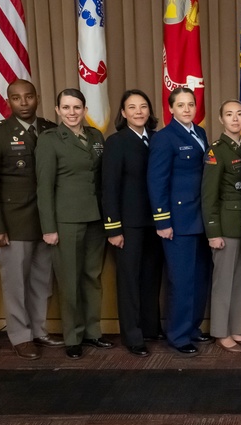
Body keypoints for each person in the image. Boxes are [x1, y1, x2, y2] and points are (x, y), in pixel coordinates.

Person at [0, 79, 64, 359]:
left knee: (41, 280)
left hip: (46, 222)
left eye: (28, 97)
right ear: (8, 102)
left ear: (37, 98)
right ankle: (20, 335)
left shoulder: (51, 130)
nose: (23, 103)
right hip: (13, 223)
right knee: (15, 283)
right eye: (16, 98)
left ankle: (38, 330)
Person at [36, 88, 112, 360]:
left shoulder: (95, 136)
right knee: (69, 280)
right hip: (66, 219)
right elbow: (44, 188)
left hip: (96, 218)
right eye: (66, 107)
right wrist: (49, 228)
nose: (71, 112)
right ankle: (73, 337)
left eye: (77, 107)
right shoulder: (50, 140)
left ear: (85, 110)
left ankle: (94, 332)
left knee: (92, 277)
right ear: (57, 110)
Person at [147, 86, 211, 355]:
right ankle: (178, 334)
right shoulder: (164, 138)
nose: (186, 109)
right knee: (181, 280)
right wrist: (163, 221)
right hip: (178, 221)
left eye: (190, 104)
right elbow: (156, 181)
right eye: (180, 105)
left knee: (199, 278)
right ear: (170, 109)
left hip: (201, 220)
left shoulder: (201, 133)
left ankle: (193, 327)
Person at [102, 89, 165, 357]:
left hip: (157, 221)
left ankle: (151, 327)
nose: (138, 112)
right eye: (132, 107)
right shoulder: (117, 142)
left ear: (149, 111)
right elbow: (109, 187)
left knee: (152, 277)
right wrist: (113, 227)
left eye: (143, 107)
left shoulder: (158, 139)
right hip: (128, 224)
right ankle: (132, 335)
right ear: (123, 113)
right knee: (129, 280)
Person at [202, 100, 241, 353]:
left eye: (240, 114)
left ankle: (234, 328)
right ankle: (220, 332)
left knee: (238, 280)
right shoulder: (217, 150)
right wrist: (213, 232)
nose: (235, 119)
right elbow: (208, 195)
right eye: (229, 114)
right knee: (223, 281)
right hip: (225, 225)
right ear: (221, 119)